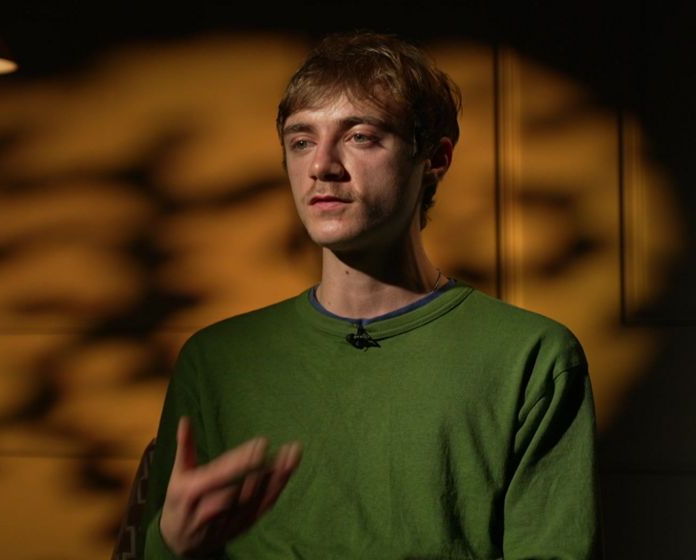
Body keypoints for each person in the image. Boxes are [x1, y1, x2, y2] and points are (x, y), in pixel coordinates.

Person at [139, 31, 599, 559]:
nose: (322, 166)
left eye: (359, 136)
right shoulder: (213, 360)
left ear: (435, 158)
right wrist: (171, 543)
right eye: (302, 140)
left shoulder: (532, 357)